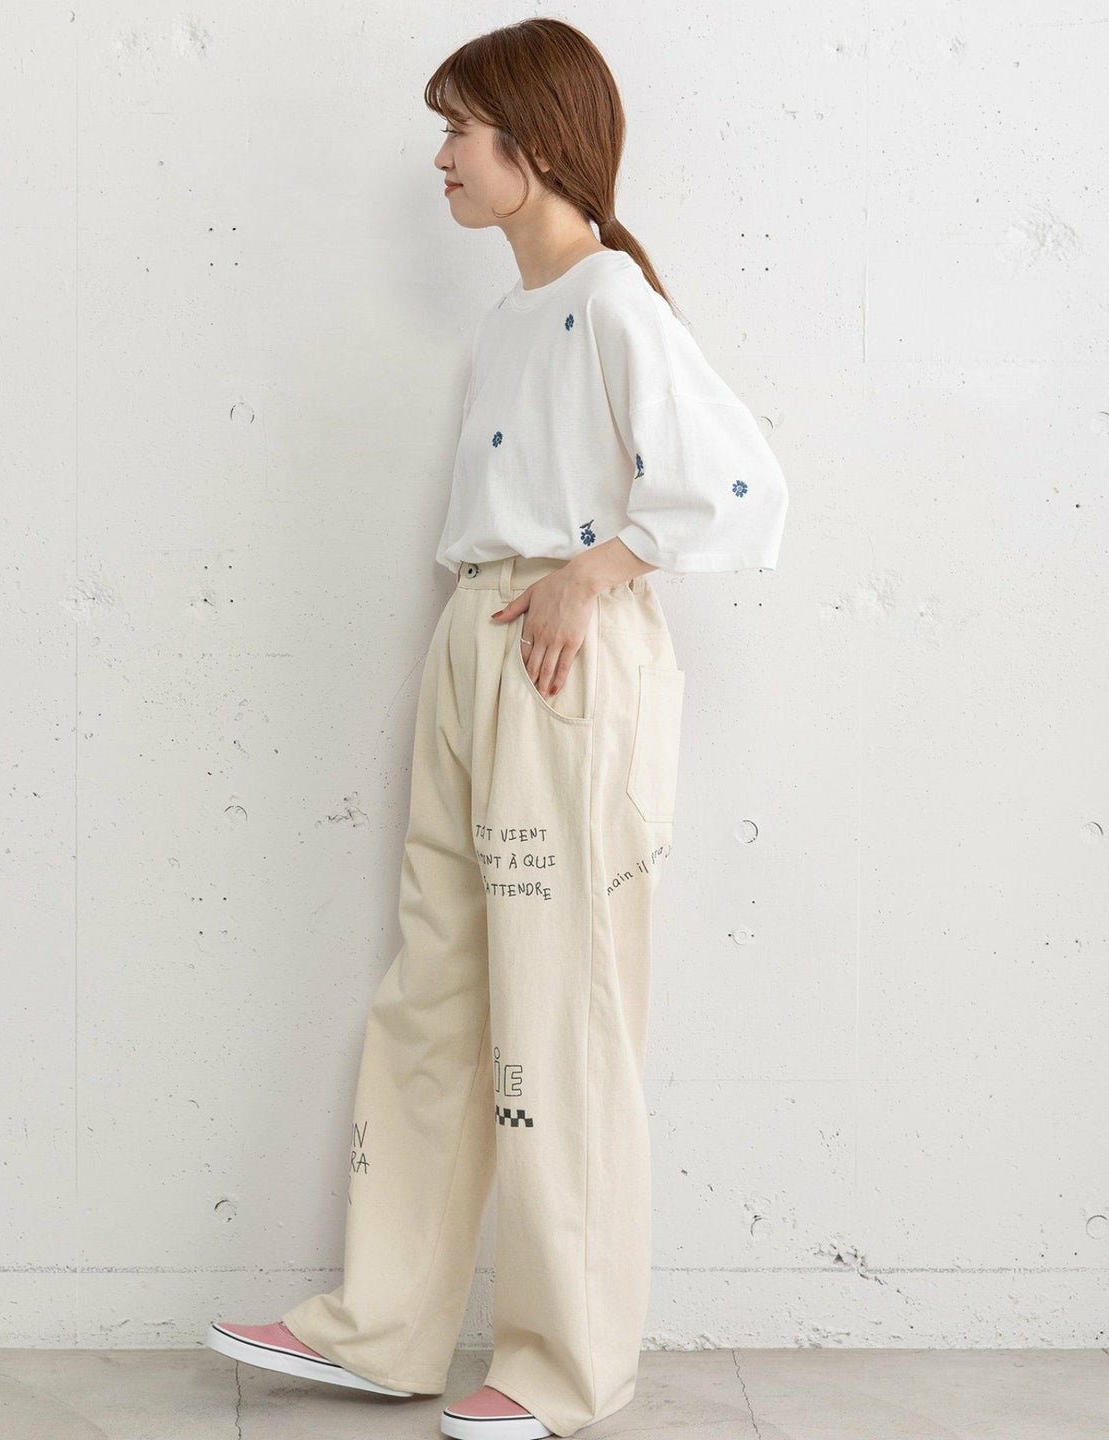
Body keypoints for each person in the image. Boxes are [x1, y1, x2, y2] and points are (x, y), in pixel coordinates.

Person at [206, 17, 788, 1440]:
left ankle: (565, 1367)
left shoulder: (612, 298)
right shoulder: (518, 318)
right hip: (480, 641)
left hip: (560, 657)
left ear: (533, 141)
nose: (442, 158)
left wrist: (596, 571)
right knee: (437, 991)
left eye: (459, 130)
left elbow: (741, 486)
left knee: (560, 1007)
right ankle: (385, 1322)